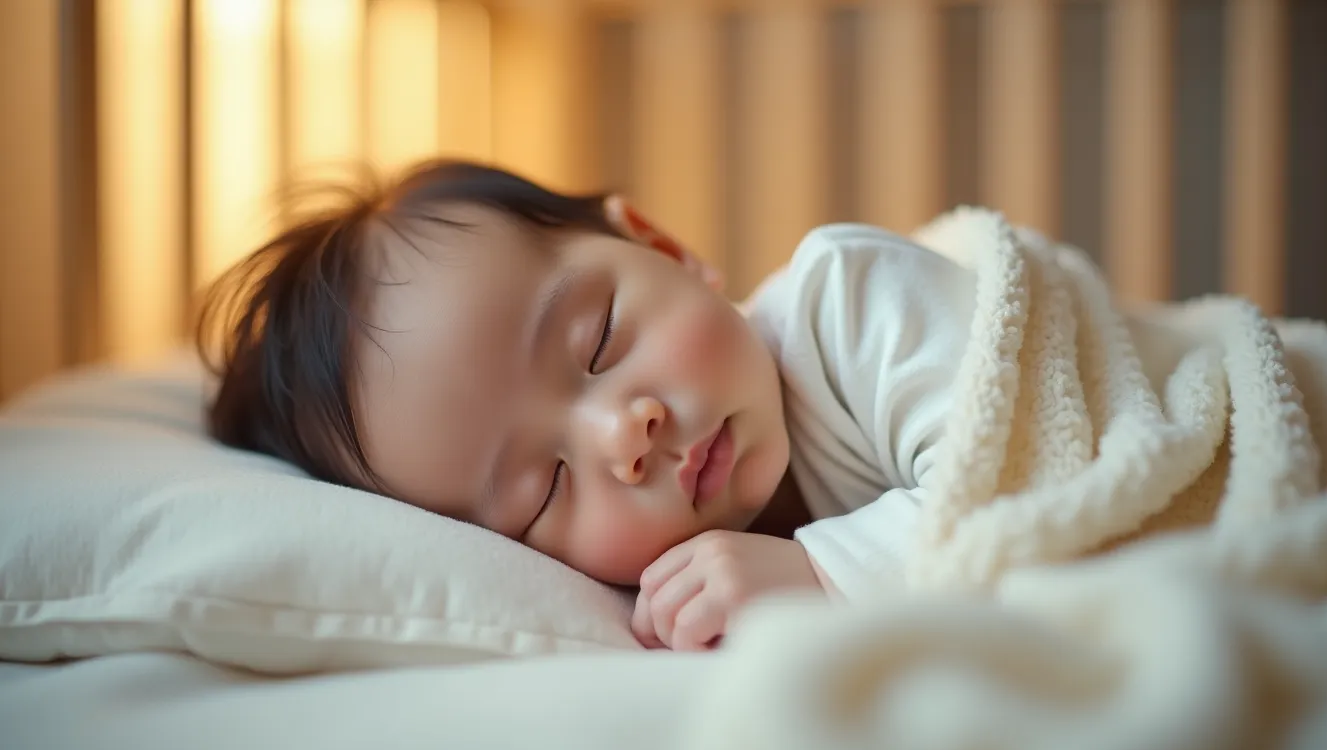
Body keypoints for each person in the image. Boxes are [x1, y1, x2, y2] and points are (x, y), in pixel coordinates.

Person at [199, 159, 975, 652]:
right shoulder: (690, 592)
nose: (621, 434)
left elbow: (1038, 469)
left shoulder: (855, 305)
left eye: (599, 340)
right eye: (547, 487)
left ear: (660, 246)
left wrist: (822, 570)